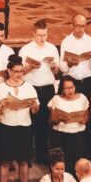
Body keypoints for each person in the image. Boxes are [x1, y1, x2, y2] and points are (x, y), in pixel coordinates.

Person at [0, 55, 40, 182]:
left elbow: (35, 110)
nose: (20, 74)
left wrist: (34, 105)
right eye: (17, 71)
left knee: (23, 161)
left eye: (21, 71)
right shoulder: (0, 88)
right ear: (9, 71)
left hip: (24, 126)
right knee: (5, 162)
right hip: (6, 127)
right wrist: (1, 104)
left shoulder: (28, 86)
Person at [19, 20, 60, 164]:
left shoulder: (52, 48)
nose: (43, 38)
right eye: (40, 35)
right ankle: (26, 157)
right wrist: (31, 67)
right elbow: (20, 72)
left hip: (48, 88)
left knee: (44, 124)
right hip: (31, 88)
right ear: (33, 34)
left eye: (45, 35)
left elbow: (57, 71)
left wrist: (54, 66)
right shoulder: (25, 50)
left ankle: (42, 156)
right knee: (29, 122)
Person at [48, 76, 89, 173]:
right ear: (62, 89)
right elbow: (51, 119)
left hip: (78, 135)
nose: (70, 90)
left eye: (72, 87)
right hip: (61, 135)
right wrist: (60, 118)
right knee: (62, 163)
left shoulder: (82, 97)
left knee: (78, 163)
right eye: (66, 88)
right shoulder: (56, 98)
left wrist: (84, 120)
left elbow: (87, 116)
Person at [59, 14, 91, 100]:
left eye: (83, 26)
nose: (80, 29)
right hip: (71, 83)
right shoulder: (66, 42)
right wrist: (70, 64)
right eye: (78, 26)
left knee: (87, 110)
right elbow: (62, 68)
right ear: (72, 26)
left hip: (87, 83)